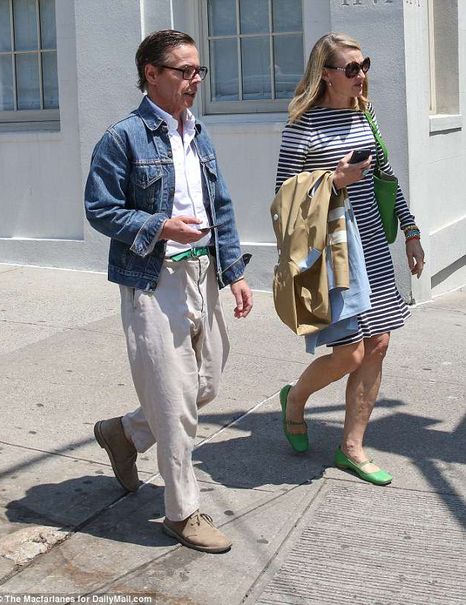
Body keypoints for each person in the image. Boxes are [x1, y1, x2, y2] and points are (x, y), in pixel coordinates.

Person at [85, 29, 252, 553]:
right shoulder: (123, 137)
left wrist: (235, 272)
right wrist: (159, 227)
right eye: (183, 71)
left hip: (202, 273)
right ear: (151, 74)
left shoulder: (198, 133)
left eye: (198, 70)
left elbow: (219, 206)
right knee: (177, 403)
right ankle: (183, 512)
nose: (194, 80)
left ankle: (127, 432)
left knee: (205, 384)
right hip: (153, 280)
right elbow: (100, 208)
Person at [275, 33, 425, 485]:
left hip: (373, 245)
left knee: (378, 344)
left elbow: (387, 178)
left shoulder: (366, 116)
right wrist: (334, 181)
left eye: (365, 65)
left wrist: (412, 231)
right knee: (350, 352)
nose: (362, 75)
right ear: (326, 74)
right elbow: (281, 197)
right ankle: (297, 398)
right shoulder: (302, 127)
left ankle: (351, 448)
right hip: (334, 252)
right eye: (352, 68)